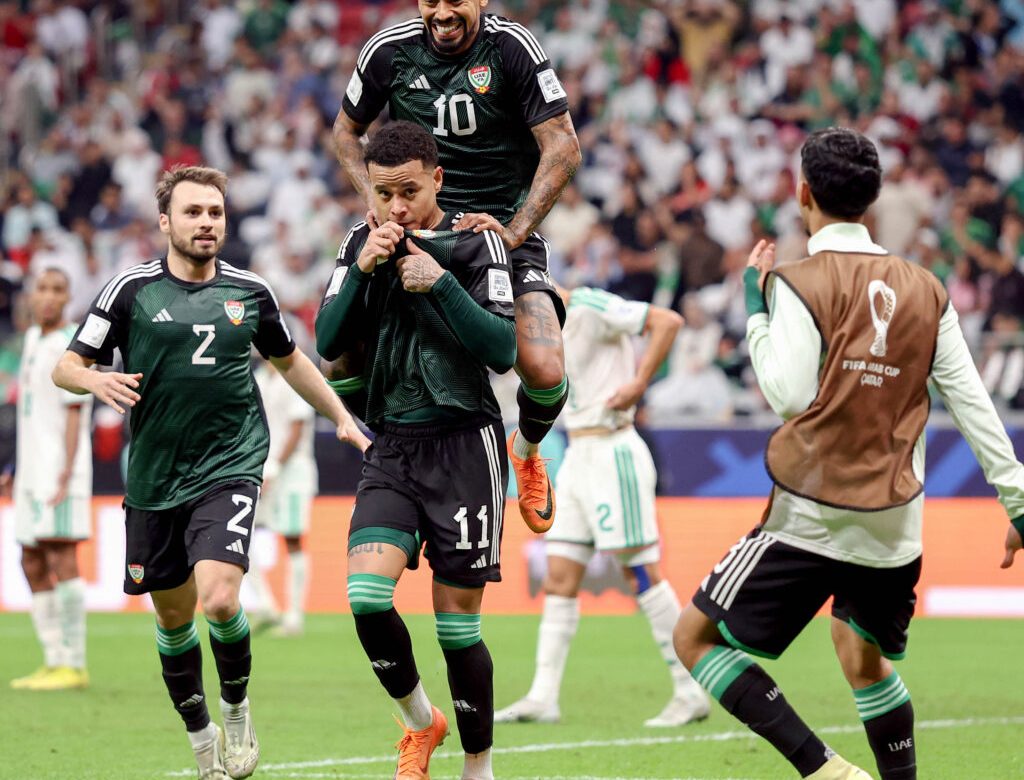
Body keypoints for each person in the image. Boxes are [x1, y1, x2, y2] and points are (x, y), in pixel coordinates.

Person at [673, 128, 1024, 780]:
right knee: (860, 654)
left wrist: (755, 309)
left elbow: (787, 395)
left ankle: (826, 771)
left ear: (802, 194)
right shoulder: (927, 287)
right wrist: (1020, 503)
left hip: (813, 513)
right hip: (894, 524)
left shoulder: (800, 282)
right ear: (872, 199)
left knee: (692, 638)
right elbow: (973, 404)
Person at [52, 165, 367, 780]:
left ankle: (237, 708)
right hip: (154, 478)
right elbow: (66, 366)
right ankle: (202, 741)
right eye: (193, 212)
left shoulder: (251, 291)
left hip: (230, 463)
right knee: (173, 621)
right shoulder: (130, 290)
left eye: (215, 213)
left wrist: (340, 415)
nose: (206, 223)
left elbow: (291, 361)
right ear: (164, 222)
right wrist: (94, 379)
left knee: (220, 600)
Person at [316, 121, 516, 780]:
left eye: (408, 191)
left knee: (457, 628)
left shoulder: (476, 240)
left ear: (437, 178)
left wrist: (443, 283)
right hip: (393, 444)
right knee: (367, 597)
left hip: (465, 444)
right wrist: (362, 270)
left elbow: (502, 349)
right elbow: (326, 341)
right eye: (383, 194)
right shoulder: (360, 241)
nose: (396, 207)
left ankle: (478, 767)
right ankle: (420, 721)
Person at [334, 0, 582, 534]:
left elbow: (563, 146)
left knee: (544, 369)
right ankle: (389, 442)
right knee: (338, 361)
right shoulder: (388, 50)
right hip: (415, 231)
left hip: (497, 234)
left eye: (455, 1)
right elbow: (345, 132)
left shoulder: (511, 48)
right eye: (431, 1)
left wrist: (515, 230)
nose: (443, 12)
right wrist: (375, 200)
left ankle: (527, 450)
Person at [495, 284, 712, 728]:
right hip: (578, 456)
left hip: (615, 450)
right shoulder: (536, 326)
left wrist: (638, 383)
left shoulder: (588, 305)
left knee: (640, 572)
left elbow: (666, 321)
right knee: (559, 576)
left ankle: (690, 691)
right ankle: (543, 697)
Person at [4, 268, 93, 691]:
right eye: (41, 288)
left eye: (58, 289)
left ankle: (75, 664)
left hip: (60, 470)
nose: (48, 297)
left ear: (68, 296)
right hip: (31, 471)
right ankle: (54, 658)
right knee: (31, 559)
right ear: (31, 295)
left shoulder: (72, 346)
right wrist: (17, 468)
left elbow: (75, 414)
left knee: (61, 558)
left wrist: (66, 473)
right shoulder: (33, 340)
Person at [245, 358, 319, 637]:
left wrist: (276, 464)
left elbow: (297, 427)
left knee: (292, 538)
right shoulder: (260, 377)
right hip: (263, 469)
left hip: (293, 472)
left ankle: (294, 615)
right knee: (241, 534)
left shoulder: (296, 374)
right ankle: (265, 603)